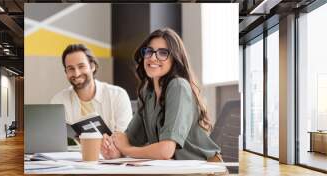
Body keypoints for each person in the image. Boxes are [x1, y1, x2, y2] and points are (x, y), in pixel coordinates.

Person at [101, 28, 222, 162]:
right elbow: (130, 139)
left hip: (204, 172)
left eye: (163, 53)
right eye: (149, 51)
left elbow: (165, 151)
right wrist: (116, 150)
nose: (153, 57)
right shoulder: (147, 92)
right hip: (174, 171)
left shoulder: (178, 86)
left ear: (174, 59)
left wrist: (126, 150)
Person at [50, 44, 132, 132]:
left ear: (92, 66)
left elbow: (123, 138)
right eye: (71, 69)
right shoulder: (58, 101)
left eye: (81, 66)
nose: (76, 73)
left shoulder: (118, 95)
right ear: (66, 72)